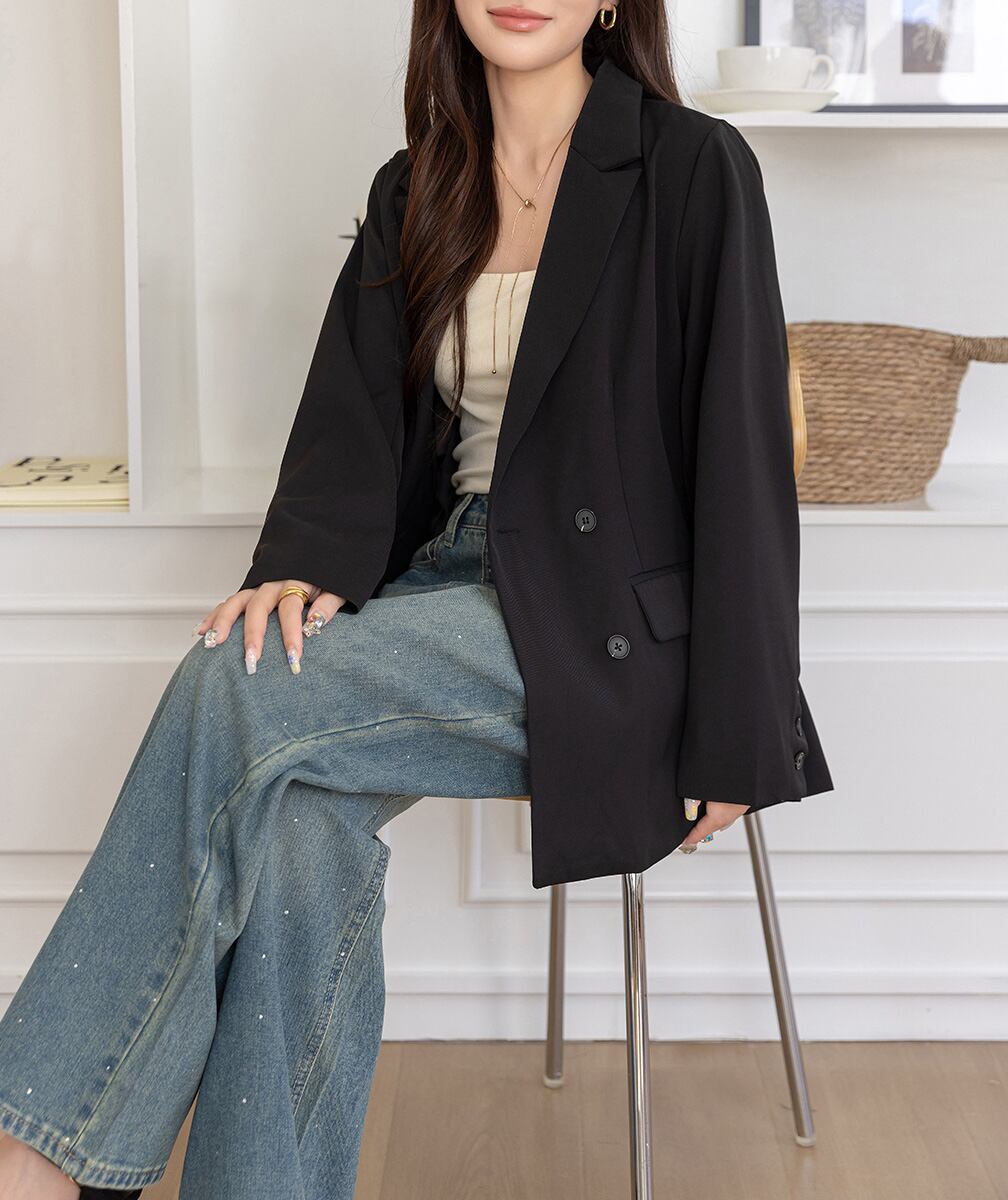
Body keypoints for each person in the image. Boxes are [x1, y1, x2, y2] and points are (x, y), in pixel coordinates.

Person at [0, 1, 834, 1196]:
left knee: (229, 688)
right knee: (296, 825)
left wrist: (740, 730)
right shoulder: (420, 185)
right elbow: (353, 422)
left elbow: (742, 452)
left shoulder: (693, 167)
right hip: (449, 581)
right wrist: (303, 564)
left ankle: (37, 1148)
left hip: (609, 629)